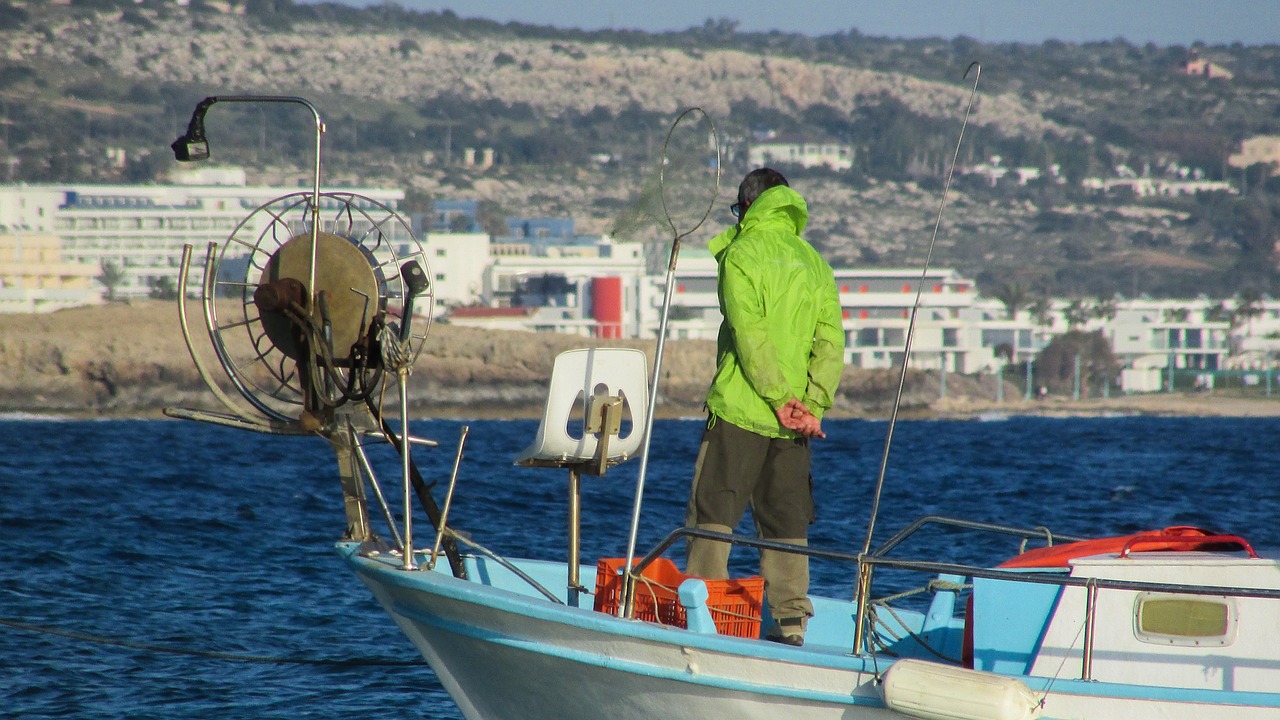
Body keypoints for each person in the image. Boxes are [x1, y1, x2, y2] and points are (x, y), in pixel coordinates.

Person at [684, 167, 844, 647]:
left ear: (748, 206)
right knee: (786, 522)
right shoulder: (815, 263)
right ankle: (791, 626)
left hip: (742, 410)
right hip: (795, 422)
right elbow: (831, 343)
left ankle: (704, 621)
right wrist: (810, 406)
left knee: (712, 513)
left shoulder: (741, 254)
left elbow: (749, 335)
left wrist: (778, 401)